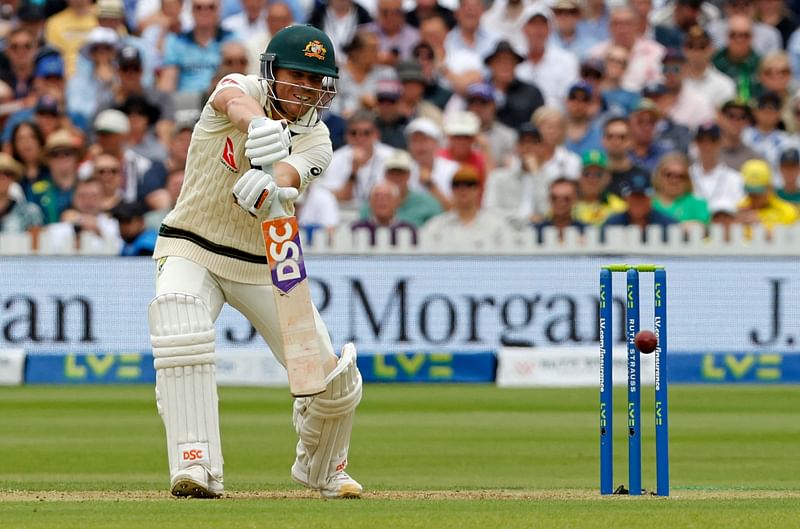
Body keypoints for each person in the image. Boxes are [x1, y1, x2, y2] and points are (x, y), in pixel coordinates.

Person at [148, 24, 363, 500]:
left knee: (331, 377)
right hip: (191, 245)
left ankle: (322, 467)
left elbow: (287, 172)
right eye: (297, 76)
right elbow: (230, 98)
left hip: (265, 261)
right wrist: (258, 127)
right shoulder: (240, 88)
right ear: (271, 71)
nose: (306, 89)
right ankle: (195, 463)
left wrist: (274, 185)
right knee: (181, 324)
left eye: (316, 81)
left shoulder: (320, 140)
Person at [736, 158, 799, 231]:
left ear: (769, 189)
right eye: (750, 192)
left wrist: (762, 223)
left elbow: (790, 220)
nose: (753, 197)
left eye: (757, 193)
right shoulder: (740, 209)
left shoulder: (786, 211)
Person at [651, 151, 710, 227]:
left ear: (687, 180)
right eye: (669, 174)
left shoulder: (698, 204)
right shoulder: (647, 203)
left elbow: (702, 227)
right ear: (659, 175)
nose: (674, 180)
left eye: (680, 176)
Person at [0, 152, 43, 233]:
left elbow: (36, 243)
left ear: (13, 177)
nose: (2, 177)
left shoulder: (29, 212)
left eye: (7, 173)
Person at [534, 177, 586, 243]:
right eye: (554, 198)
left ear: (575, 200)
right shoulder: (536, 231)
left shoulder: (586, 231)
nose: (560, 202)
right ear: (548, 199)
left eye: (566, 198)